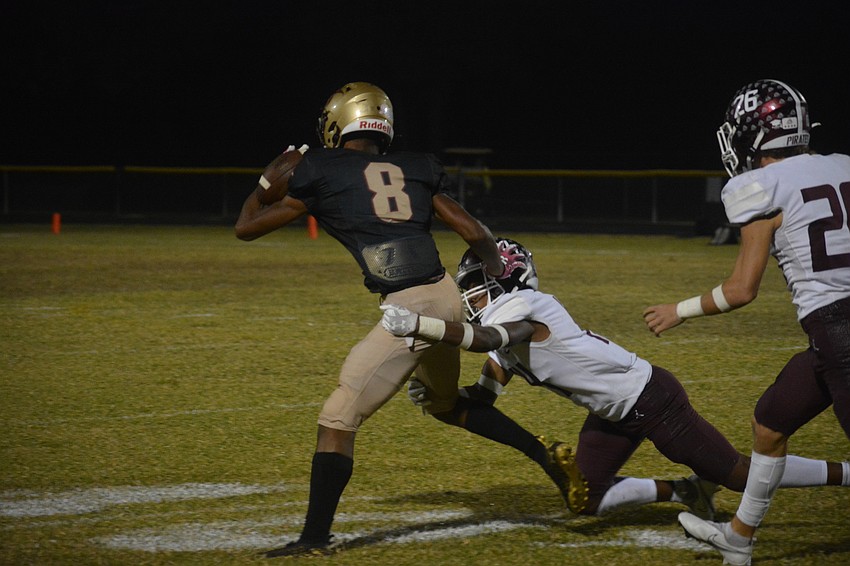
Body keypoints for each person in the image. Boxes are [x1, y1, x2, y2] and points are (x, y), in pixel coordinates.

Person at [235, 82, 584, 557]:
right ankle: (544, 453)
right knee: (444, 404)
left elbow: (246, 228)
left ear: (338, 124)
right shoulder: (417, 166)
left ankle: (314, 538)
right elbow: (474, 232)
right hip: (447, 295)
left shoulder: (318, 168)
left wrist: (265, 180)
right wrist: (499, 270)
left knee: (338, 417)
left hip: (411, 309)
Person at [381, 238, 850, 522]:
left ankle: (846, 474)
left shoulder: (526, 311)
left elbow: (487, 338)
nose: (470, 297)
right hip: (613, 413)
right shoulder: (506, 330)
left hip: (652, 400)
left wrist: (422, 326)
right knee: (585, 497)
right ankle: (684, 490)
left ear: (509, 280)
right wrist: (442, 396)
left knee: (741, 476)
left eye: (477, 286)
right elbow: (484, 396)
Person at [643, 79, 850, 565]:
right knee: (770, 423)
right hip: (828, 339)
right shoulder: (843, 165)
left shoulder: (760, 187)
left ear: (754, 134)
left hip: (839, 334)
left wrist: (679, 311)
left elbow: (741, 290)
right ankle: (739, 537)